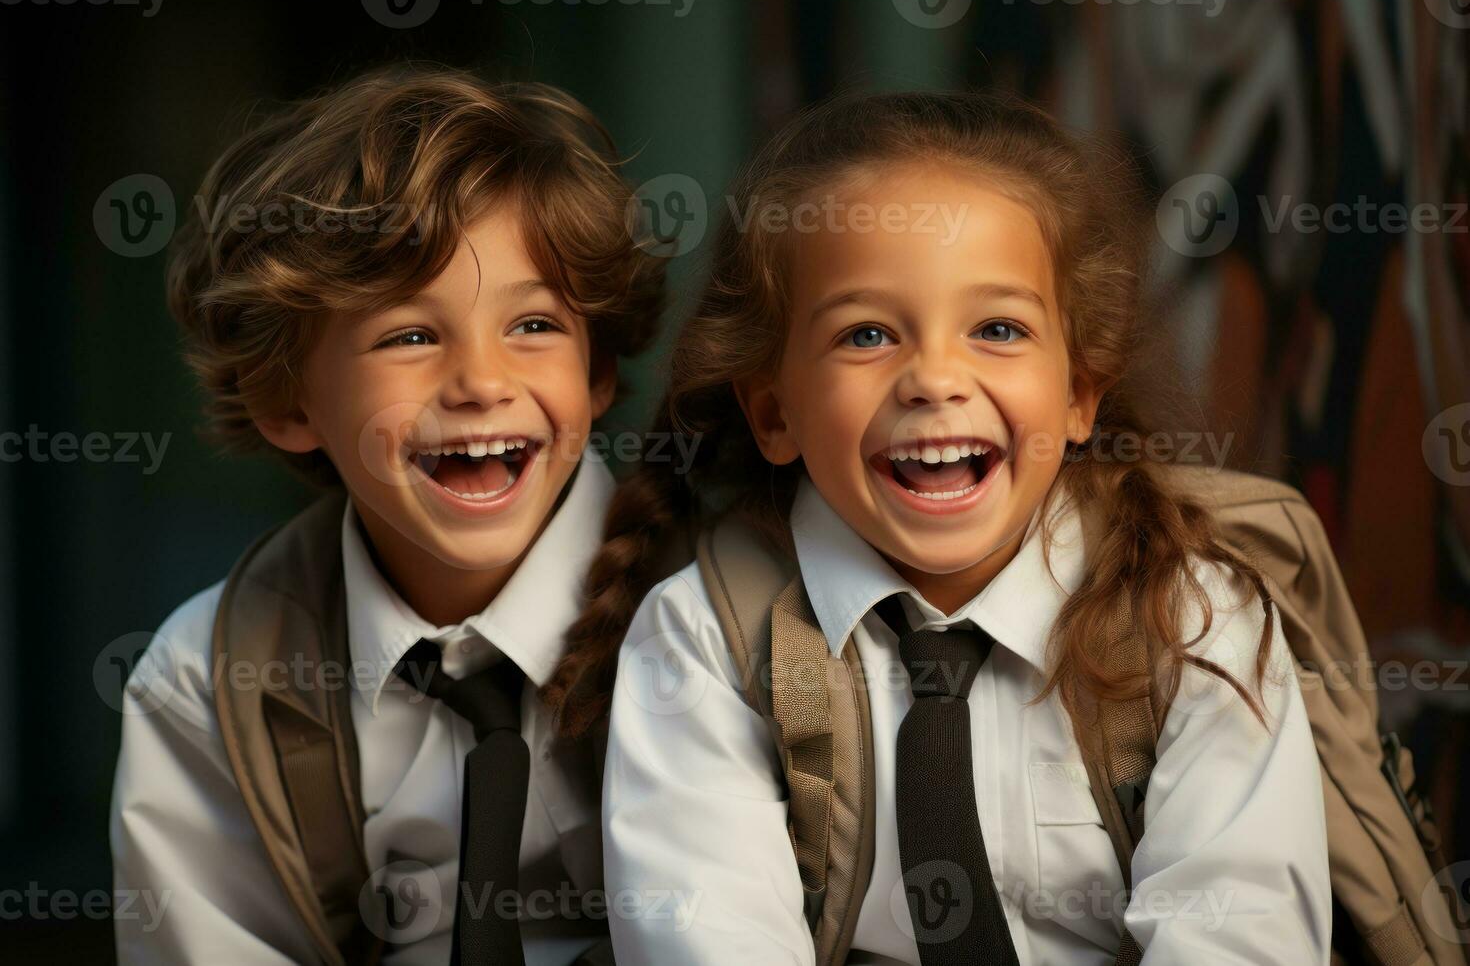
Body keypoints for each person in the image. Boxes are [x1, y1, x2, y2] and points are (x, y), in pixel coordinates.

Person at [548, 89, 1331, 964]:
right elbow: (706, 938)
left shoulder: (1192, 620)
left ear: (1078, 394)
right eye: (868, 334)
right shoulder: (708, 639)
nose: (934, 379)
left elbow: (1239, 937)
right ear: (774, 411)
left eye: (997, 328)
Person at [110, 66, 665, 965]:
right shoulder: (208, 678)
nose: (483, 383)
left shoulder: (733, 615)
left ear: (598, 370)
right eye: (410, 336)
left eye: (534, 325)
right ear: (286, 401)